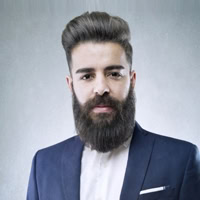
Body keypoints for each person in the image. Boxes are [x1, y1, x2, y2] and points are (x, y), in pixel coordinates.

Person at [27, 11, 200, 200]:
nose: (101, 88)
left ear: (132, 80)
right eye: (86, 76)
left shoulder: (181, 160)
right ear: (71, 85)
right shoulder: (43, 166)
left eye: (114, 74)